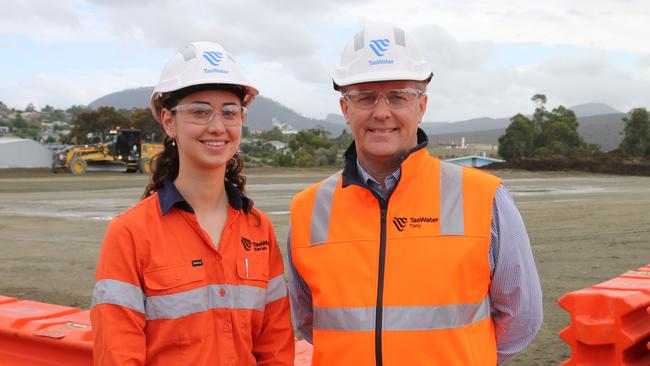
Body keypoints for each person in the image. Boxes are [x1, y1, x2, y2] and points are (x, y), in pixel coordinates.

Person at [287, 23, 543, 365]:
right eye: (365, 96)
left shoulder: (484, 197)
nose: (381, 112)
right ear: (345, 109)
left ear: (421, 105)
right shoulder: (309, 209)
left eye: (398, 96)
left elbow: (522, 316)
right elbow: (309, 320)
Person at [90, 41, 294, 366]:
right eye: (200, 111)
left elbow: (275, 348)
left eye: (229, 112)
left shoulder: (258, 229)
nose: (217, 126)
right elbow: (117, 355)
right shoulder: (129, 233)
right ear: (169, 121)